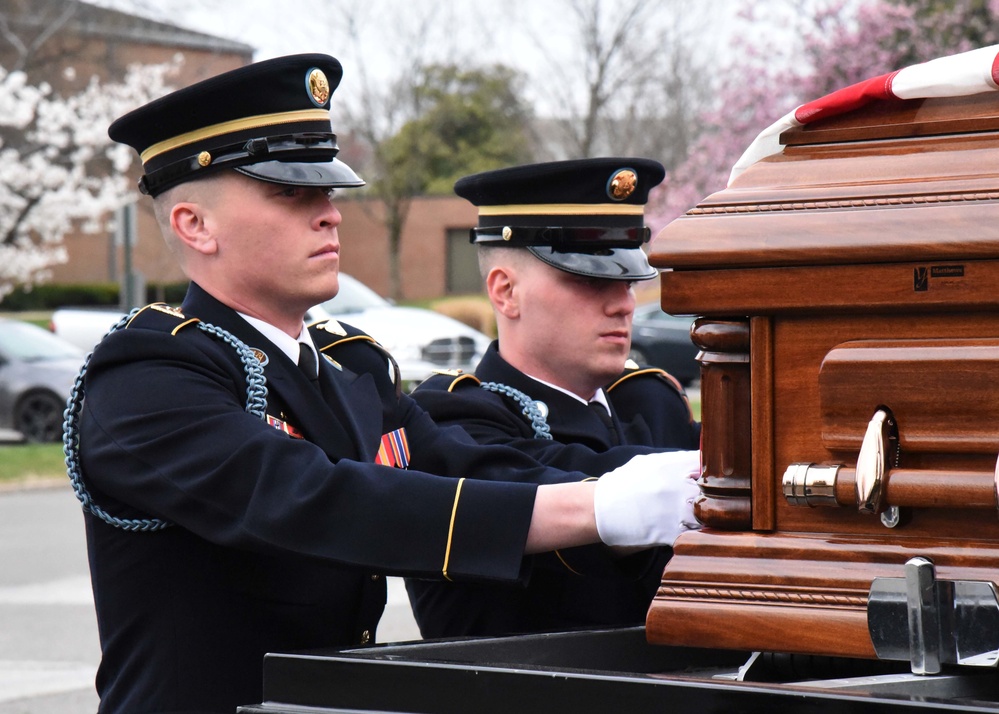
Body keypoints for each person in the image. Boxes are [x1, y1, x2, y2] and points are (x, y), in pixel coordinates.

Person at [67, 54, 701, 713]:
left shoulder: (349, 366)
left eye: (327, 194)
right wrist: (595, 508)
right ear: (194, 225)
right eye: (291, 194)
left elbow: (471, 468)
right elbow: (308, 496)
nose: (330, 216)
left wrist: (675, 479)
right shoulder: (145, 375)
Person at [406, 158, 701, 638]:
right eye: (589, 280)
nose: (623, 303)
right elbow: (559, 481)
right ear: (506, 292)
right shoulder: (453, 418)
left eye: (627, 279)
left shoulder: (651, 401)